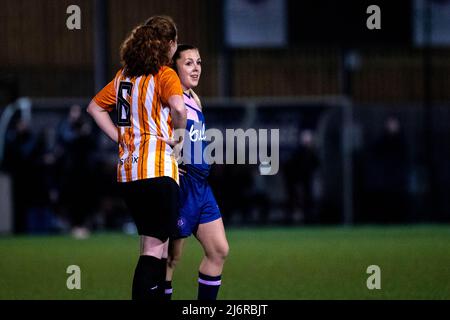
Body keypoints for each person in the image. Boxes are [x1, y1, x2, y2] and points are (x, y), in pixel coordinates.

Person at [87, 16, 187, 300]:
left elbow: (93, 107)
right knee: (155, 250)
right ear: (168, 44)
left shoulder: (123, 77)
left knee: (153, 246)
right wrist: (179, 141)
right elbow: (179, 109)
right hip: (157, 170)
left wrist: (120, 137)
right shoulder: (164, 74)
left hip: (128, 173)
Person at [162, 44, 229, 300]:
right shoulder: (171, 96)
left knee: (219, 250)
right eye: (188, 62)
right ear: (174, 66)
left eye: (199, 62)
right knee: (170, 259)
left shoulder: (194, 97)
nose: (196, 68)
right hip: (184, 183)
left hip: (202, 187)